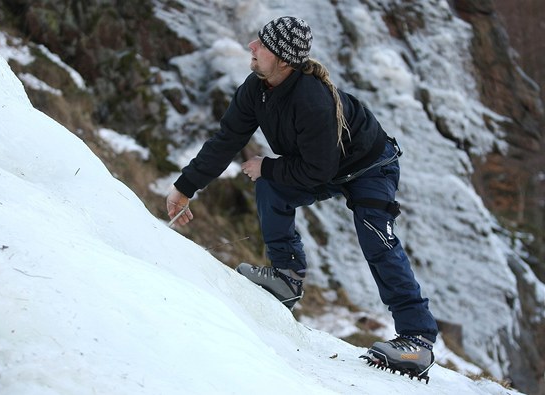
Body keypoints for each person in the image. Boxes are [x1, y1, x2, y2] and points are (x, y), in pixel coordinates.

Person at [166, 16, 438, 378]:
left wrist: (269, 166)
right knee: (270, 186)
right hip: (325, 164)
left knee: (375, 236)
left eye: (261, 43)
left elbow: (317, 172)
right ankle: (286, 276)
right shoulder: (256, 89)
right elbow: (225, 141)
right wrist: (184, 188)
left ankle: (417, 339)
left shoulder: (312, 100)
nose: (251, 46)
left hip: (370, 164)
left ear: (282, 59)